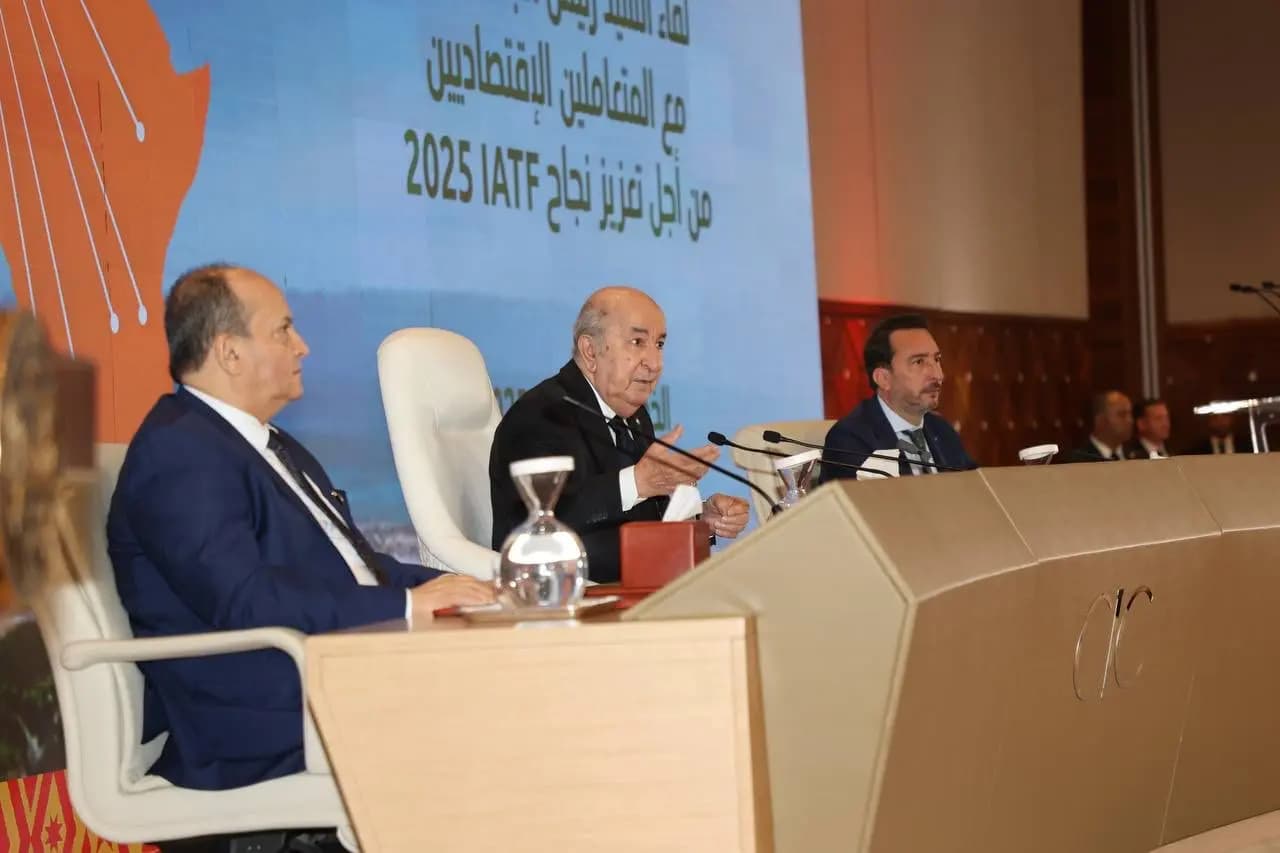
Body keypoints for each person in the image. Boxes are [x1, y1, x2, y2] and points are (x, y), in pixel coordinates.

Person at [108, 263, 494, 790]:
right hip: (260, 718)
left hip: (336, 675)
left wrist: (451, 590)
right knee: (500, 710)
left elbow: (356, 568)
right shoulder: (180, 451)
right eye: (283, 331)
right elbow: (245, 601)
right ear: (230, 351)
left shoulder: (270, 444)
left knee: (510, 677)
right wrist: (406, 607)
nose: (303, 347)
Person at [489, 287, 750, 583]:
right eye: (637, 342)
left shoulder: (633, 415)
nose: (655, 363)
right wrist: (638, 481)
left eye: (660, 344)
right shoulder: (541, 414)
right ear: (590, 351)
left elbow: (639, 522)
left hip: (630, 591)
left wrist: (701, 521)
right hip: (557, 596)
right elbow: (546, 523)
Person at [819, 313, 975, 480]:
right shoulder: (850, 439)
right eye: (919, 362)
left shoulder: (942, 431)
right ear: (883, 378)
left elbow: (974, 490)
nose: (938, 375)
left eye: (936, 360)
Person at [1069, 391, 1134, 462]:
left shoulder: (1136, 456)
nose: (1130, 420)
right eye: (1122, 414)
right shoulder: (1079, 460)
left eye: (1130, 414)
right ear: (1100, 420)